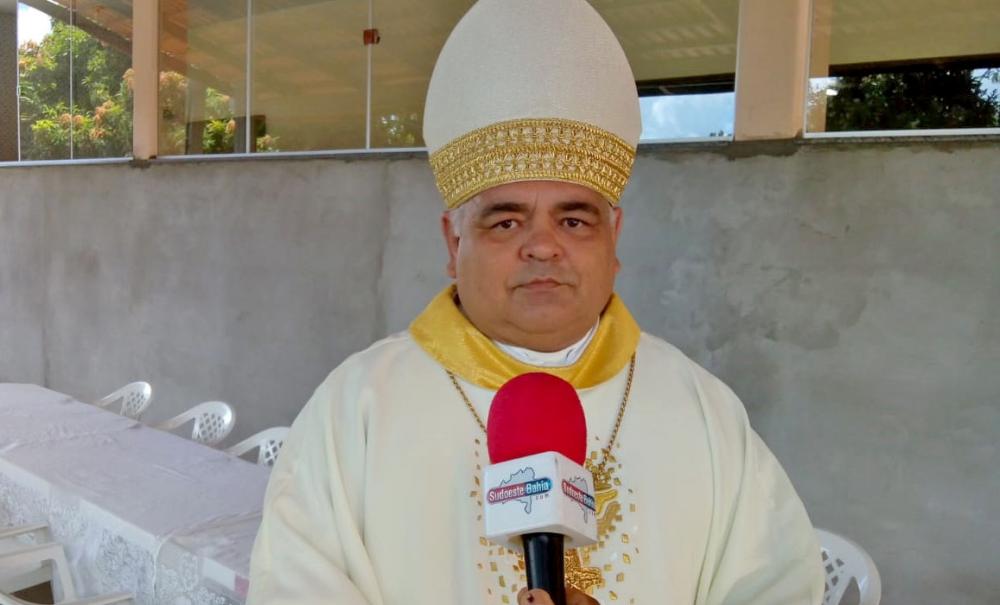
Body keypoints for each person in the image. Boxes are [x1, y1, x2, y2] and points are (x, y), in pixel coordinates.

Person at [247, 1, 825, 604]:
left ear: (614, 239)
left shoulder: (705, 413)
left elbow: (779, 586)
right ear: (453, 241)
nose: (543, 247)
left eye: (575, 221)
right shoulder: (356, 411)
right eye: (505, 223)